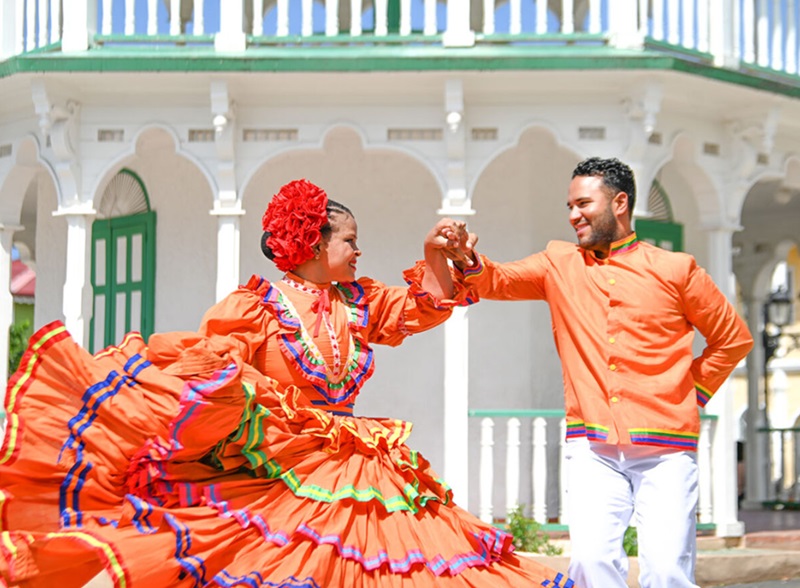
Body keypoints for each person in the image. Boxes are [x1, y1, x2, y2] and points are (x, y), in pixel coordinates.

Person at [0, 178, 576, 587]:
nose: (358, 250)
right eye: (349, 240)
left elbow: (425, 306)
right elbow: (214, 364)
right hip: (287, 466)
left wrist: (433, 253)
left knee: (387, 560)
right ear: (313, 243)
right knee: (296, 565)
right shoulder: (256, 308)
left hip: (360, 458)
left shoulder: (360, 301)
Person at [446, 157, 754, 588]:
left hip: (666, 450)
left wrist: (690, 394)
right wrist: (466, 258)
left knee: (666, 570)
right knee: (590, 564)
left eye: (583, 204)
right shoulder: (558, 262)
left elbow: (733, 339)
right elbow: (495, 280)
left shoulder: (676, 270)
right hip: (591, 446)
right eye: (569, 206)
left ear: (620, 202)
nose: (573, 215)